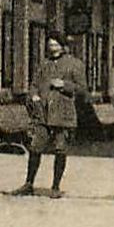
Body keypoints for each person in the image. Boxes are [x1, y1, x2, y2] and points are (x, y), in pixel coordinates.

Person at [15, 33, 85, 199]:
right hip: (43, 113)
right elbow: (33, 84)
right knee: (35, 147)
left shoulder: (75, 64)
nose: (52, 48)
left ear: (62, 46)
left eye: (55, 45)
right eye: (50, 45)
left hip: (63, 113)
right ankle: (29, 183)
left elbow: (82, 89)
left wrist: (65, 85)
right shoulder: (43, 64)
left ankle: (55, 186)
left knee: (60, 149)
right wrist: (33, 95)